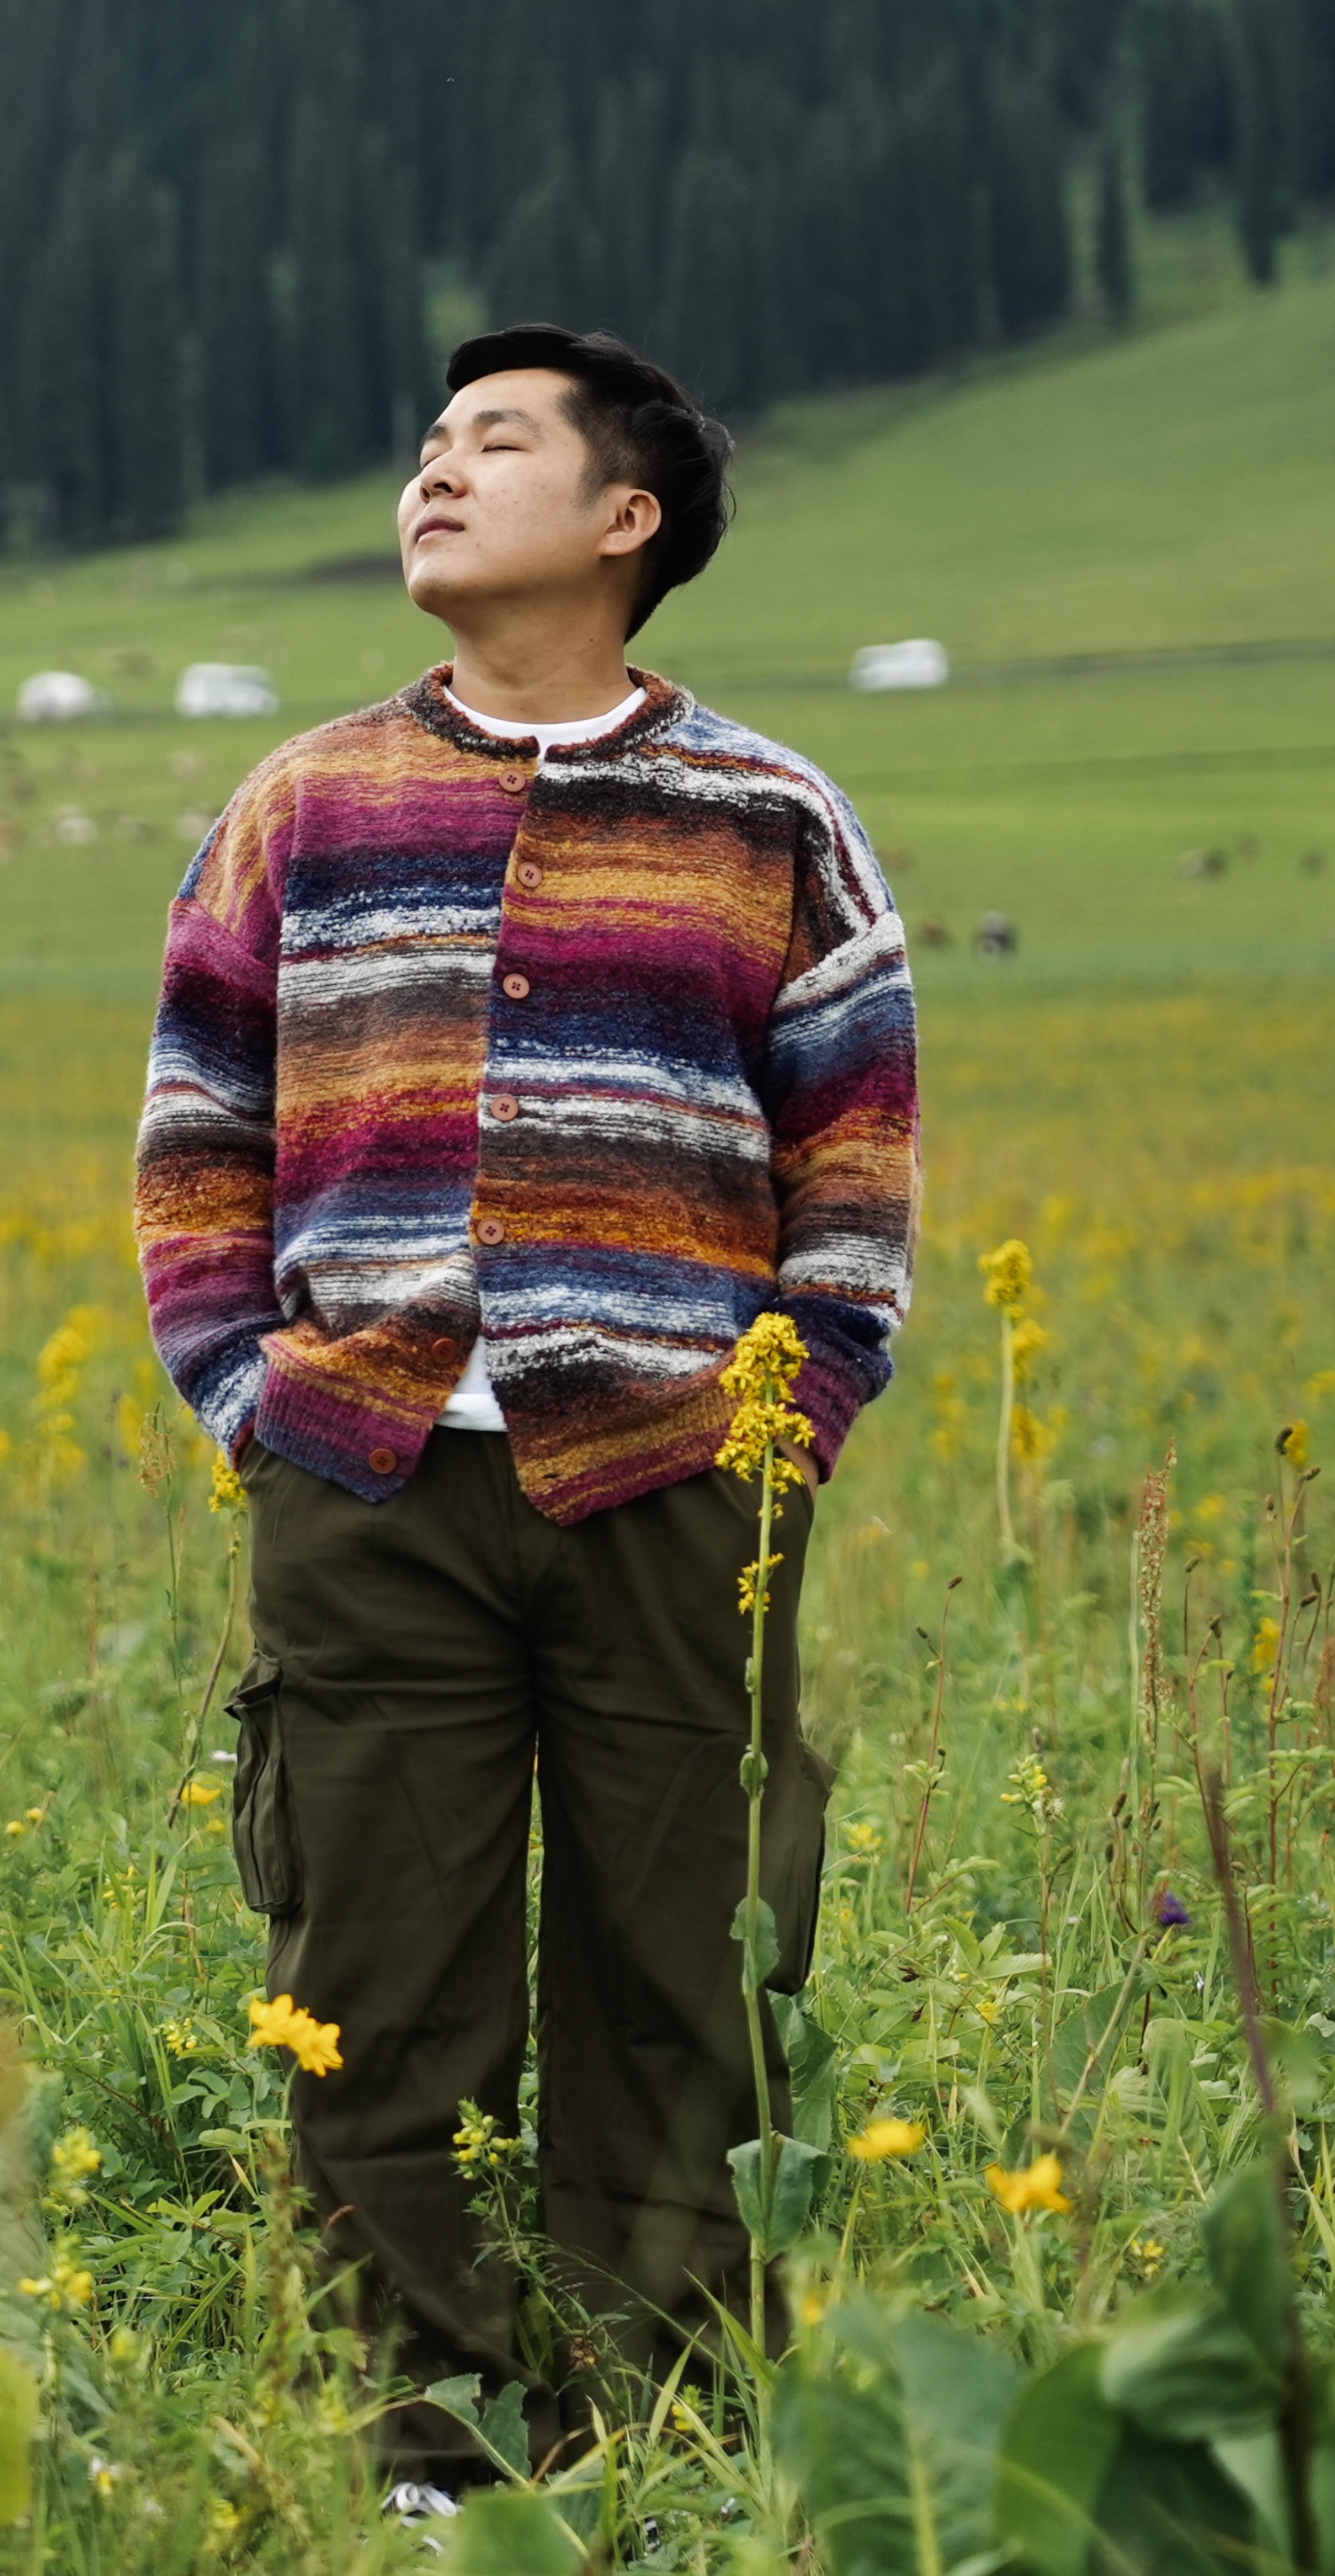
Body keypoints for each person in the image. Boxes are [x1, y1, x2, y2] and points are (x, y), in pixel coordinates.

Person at [133, 322, 917, 2504]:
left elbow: (855, 1149)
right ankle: (428, 2450)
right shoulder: (303, 802)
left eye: (495, 445)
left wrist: (802, 1410)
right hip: (362, 1480)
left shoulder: (772, 815)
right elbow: (201, 1123)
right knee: (379, 1973)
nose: (435, 474)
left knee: (692, 1973)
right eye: (427, 445)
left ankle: (665, 2428)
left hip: (680, 1477)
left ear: (627, 516)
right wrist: (243, 1391)